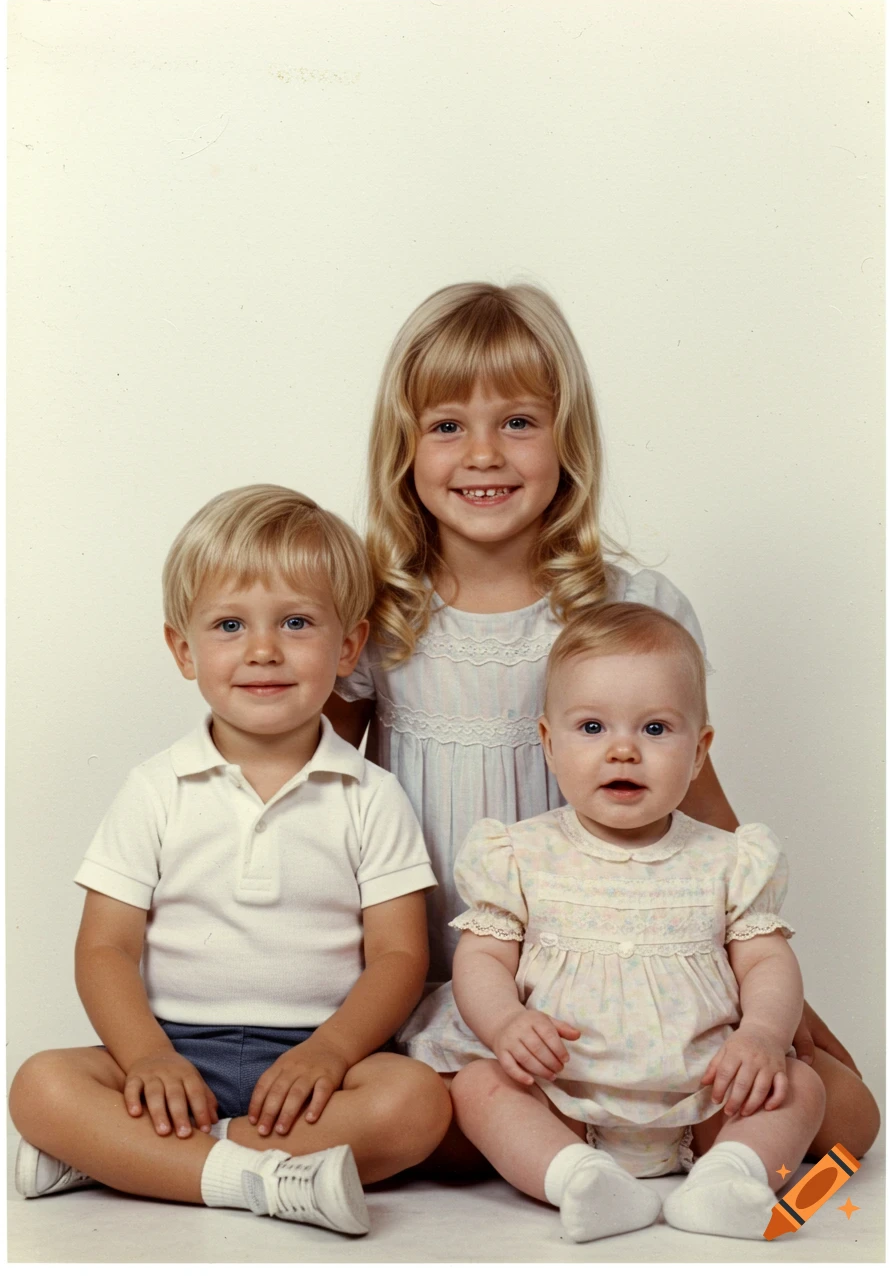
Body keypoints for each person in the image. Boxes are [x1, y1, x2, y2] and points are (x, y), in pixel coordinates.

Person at [325, 281, 878, 1163]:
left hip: (626, 976)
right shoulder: (379, 615)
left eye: (518, 422)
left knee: (845, 1113)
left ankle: (625, 1130)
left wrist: (783, 1014)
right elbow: (315, 783)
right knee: (418, 1117)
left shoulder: (628, 608)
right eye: (445, 426)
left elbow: (706, 807)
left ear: (567, 439)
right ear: (403, 447)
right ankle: (578, 1141)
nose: (484, 454)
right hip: (447, 985)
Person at [10, 484, 452, 1236]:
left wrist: (330, 1052)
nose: (263, 649)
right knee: (41, 1085)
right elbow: (106, 947)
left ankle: (135, 1161)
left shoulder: (371, 796)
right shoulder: (156, 788)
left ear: (348, 647)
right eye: (228, 625)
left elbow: (400, 954)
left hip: (319, 1066)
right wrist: (147, 1057)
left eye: (297, 622)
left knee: (418, 1103)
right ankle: (258, 1177)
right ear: (183, 649)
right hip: (174, 1052)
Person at [445, 602, 827, 1242]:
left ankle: (731, 1174)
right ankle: (579, 1179)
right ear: (548, 743)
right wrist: (506, 1021)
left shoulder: (728, 857)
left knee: (802, 1087)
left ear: (699, 750)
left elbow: (765, 959)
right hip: (562, 1094)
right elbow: (482, 958)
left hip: (706, 1095)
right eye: (591, 727)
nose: (623, 749)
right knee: (480, 1086)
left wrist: (762, 1033)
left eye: (655, 729)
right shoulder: (518, 853)